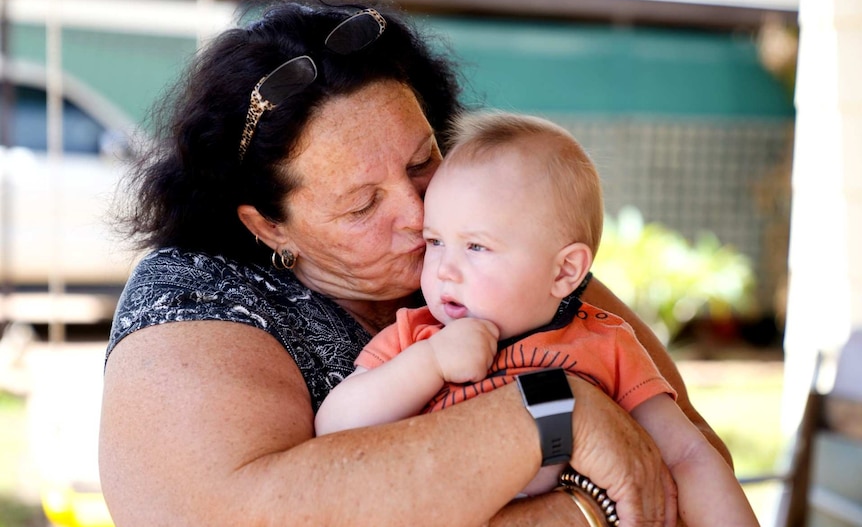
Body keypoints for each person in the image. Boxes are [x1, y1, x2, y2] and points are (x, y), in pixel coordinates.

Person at [99, 0, 728, 527]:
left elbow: (692, 458)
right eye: (362, 204)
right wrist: (556, 416)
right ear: (269, 225)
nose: (418, 211)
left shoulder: (505, 256)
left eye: (423, 161)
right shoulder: (194, 297)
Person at [315, 111, 759, 525]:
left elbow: (687, 456)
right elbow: (336, 427)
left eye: (476, 247)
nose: (444, 269)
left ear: (565, 271)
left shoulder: (605, 344)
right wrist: (431, 363)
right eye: (435, 241)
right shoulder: (418, 337)